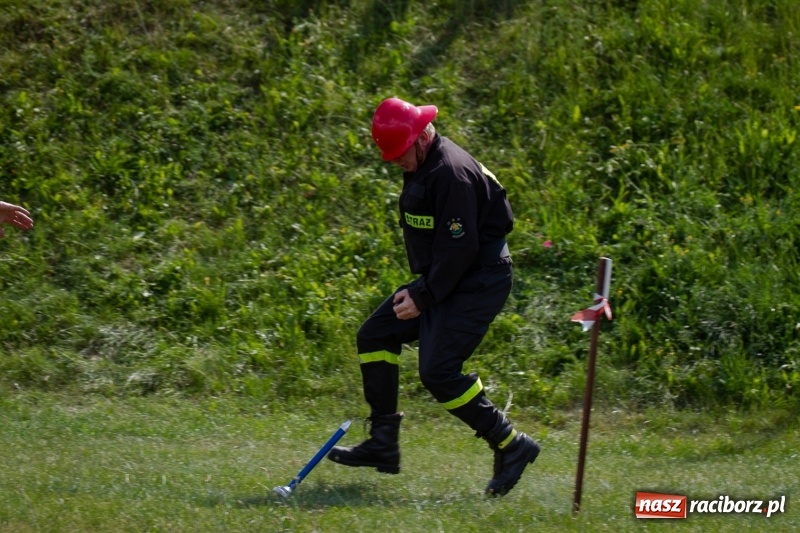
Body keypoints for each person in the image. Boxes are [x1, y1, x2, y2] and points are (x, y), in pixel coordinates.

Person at [328, 97, 540, 496]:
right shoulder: (425, 163)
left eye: (399, 153)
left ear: (421, 137)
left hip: (480, 280)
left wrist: (422, 297)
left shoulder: (451, 174)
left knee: (438, 371)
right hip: (449, 276)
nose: (394, 163)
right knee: (375, 335)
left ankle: (512, 445)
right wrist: (424, 290)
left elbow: (460, 249)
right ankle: (383, 444)